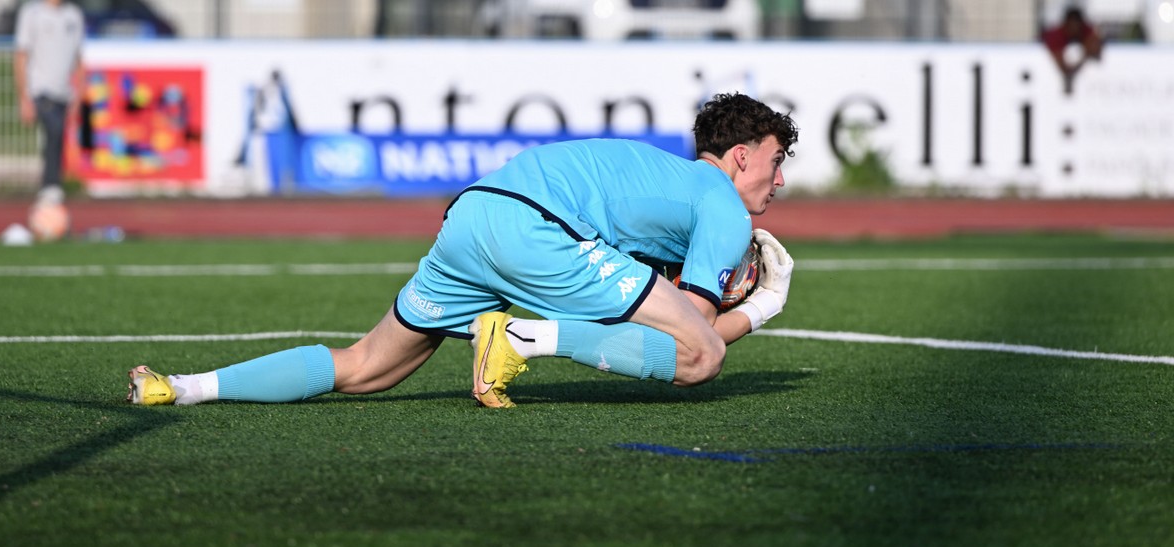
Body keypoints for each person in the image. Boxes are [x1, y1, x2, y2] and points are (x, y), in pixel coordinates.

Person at [127, 92, 800, 409]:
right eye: (775, 161)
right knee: (703, 357)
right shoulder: (722, 204)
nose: (778, 180)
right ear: (740, 157)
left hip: (473, 215)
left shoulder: (663, 176)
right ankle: (520, 338)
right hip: (537, 228)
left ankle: (182, 388)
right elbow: (695, 336)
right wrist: (761, 307)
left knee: (366, 369)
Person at [14, 0, 85, 207]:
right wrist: (24, 97)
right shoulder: (31, 13)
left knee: (58, 138)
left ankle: (52, 187)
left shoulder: (73, 15)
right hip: (40, 89)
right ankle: (50, 187)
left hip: (65, 92)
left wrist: (79, 95)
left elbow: (79, 59)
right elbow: (21, 55)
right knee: (54, 131)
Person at [1042, 5, 1104, 95]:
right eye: (1071, 25)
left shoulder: (1087, 32)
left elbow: (1096, 48)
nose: (1074, 29)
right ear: (1066, 24)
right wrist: (1082, 59)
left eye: (1077, 26)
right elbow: (1064, 67)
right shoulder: (1056, 36)